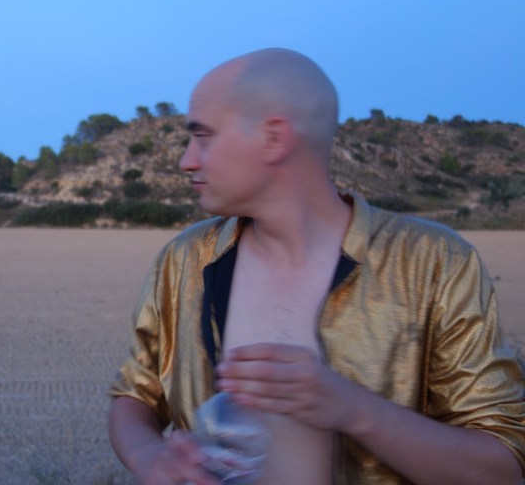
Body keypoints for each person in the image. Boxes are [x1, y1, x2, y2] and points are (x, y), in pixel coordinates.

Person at [107, 48, 525, 484]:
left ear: (274, 138)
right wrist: (148, 455)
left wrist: (351, 408)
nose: (186, 160)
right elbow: (134, 395)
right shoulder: (185, 260)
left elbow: (501, 466)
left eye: (204, 137)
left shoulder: (433, 262)